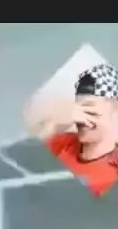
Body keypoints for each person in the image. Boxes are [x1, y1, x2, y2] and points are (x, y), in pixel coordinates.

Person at [25, 63, 118, 196]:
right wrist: (54, 122)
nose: (80, 118)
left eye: (90, 108)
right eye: (78, 108)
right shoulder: (62, 142)